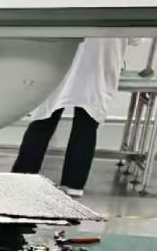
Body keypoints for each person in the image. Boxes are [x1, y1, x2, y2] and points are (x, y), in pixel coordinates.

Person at [11, 38, 130, 198]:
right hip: (100, 64)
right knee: (87, 121)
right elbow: (135, 36)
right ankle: (73, 184)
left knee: (44, 119)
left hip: (60, 60)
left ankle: (22, 176)